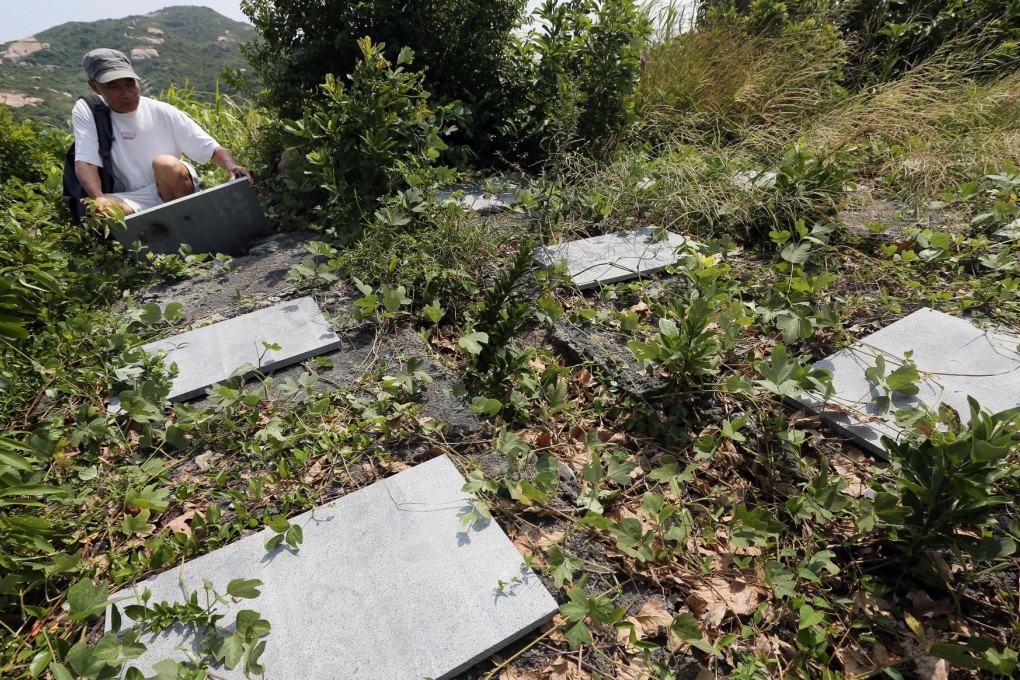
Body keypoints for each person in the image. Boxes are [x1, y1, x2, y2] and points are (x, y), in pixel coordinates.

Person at [72, 48, 252, 216]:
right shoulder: (90, 110)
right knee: (100, 210)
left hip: (173, 183)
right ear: (95, 87)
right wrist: (98, 198)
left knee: (165, 163)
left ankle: (189, 226)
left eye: (130, 83)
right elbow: (86, 161)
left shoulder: (160, 111)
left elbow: (211, 148)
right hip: (132, 197)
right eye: (113, 86)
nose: (126, 93)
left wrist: (232, 166)